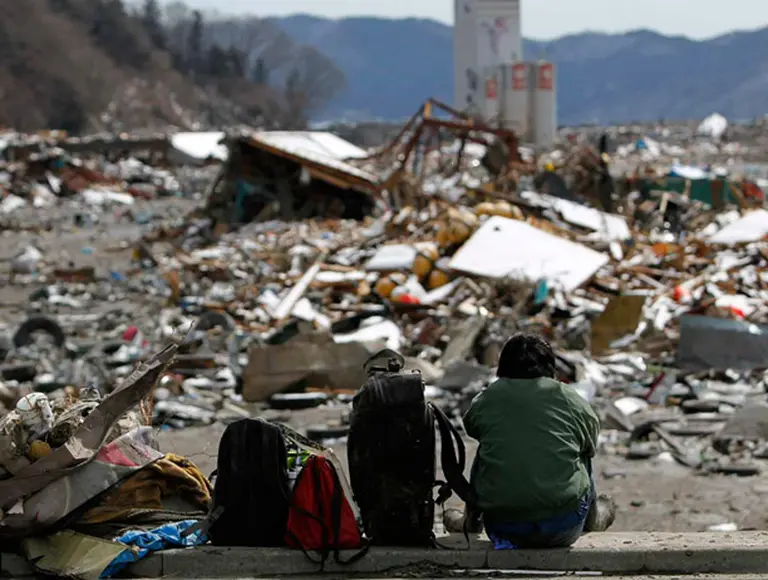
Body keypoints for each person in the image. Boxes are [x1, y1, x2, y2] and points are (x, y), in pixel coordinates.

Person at [444, 333, 615, 548]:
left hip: (502, 526)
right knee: (582, 453)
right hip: (563, 527)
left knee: (488, 448)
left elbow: (473, 427)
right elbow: (591, 444)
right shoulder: (570, 399)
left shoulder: (488, 398)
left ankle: (471, 520)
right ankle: (593, 517)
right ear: (551, 368)